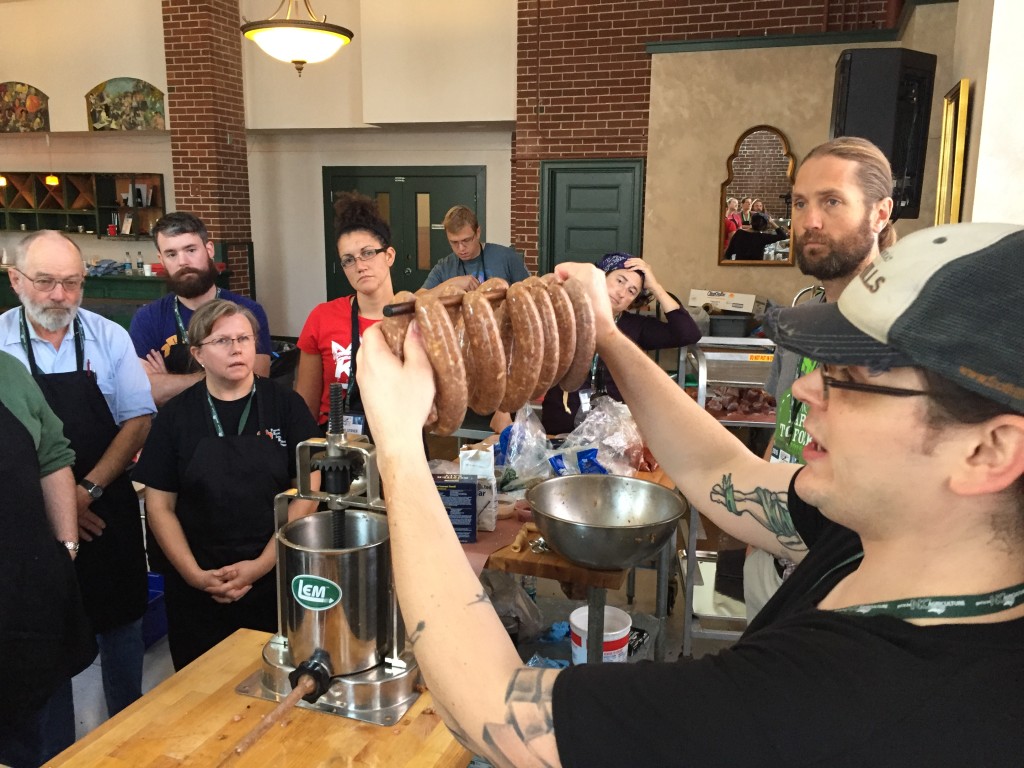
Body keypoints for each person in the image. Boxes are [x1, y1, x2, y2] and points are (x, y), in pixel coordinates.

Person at [355, 221, 1024, 766]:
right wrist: (606, 334)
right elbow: (712, 469)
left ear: (988, 449)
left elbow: (491, 704)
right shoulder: (885, 530)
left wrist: (397, 446)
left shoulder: (846, 703)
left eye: (849, 379)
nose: (804, 390)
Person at [1, 231, 155, 721]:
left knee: (122, 620)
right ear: (15, 279)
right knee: (47, 631)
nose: (59, 296)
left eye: (71, 283)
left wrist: (85, 492)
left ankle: (128, 722)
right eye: (45, 282)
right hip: (29, 516)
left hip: (105, 503)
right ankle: (56, 743)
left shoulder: (110, 335)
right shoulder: (0, 345)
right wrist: (59, 505)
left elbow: (137, 420)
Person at [746, 135, 897, 619]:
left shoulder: (898, 329)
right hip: (773, 547)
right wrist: (758, 527)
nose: (810, 221)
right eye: (799, 203)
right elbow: (783, 425)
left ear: (880, 213)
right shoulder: (801, 320)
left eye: (832, 201)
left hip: (846, 565)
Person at [133, 300, 320, 670]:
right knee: (199, 687)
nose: (236, 349)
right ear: (198, 354)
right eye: (222, 341)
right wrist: (194, 575)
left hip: (274, 578)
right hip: (198, 586)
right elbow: (159, 507)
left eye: (244, 338)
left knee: (277, 678)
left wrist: (262, 564)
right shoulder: (174, 417)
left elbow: (307, 492)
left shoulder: (286, 405)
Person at [0, 351, 97, 768]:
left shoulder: (7, 372)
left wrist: (66, 550)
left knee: (32, 742)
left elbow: (53, 459)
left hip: (22, 598)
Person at [539, 252, 701, 435]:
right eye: (620, 280)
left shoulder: (635, 327)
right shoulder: (565, 313)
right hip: (561, 422)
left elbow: (687, 333)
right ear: (602, 276)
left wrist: (655, 287)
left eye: (632, 291)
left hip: (612, 432)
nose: (622, 292)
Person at [130, 212, 272, 406]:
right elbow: (150, 392)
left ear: (209, 249)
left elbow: (255, 380)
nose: (183, 262)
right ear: (161, 259)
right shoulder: (147, 318)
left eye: (190, 250)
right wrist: (224, 375)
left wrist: (169, 379)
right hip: (174, 428)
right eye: (171, 254)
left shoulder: (247, 311)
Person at [295, 192, 396, 431]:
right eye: (348, 260)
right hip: (336, 448)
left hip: (399, 441)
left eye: (368, 253)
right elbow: (305, 407)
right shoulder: (323, 318)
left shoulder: (414, 318)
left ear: (389, 255)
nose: (360, 266)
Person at [419, 204, 529, 293]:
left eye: (466, 240)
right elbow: (417, 300)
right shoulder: (444, 267)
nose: (461, 248)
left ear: (478, 233)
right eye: (454, 242)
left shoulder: (506, 257)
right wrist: (452, 283)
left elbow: (530, 295)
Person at [724, 211, 788, 261]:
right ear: (764, 226)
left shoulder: (739, 233)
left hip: (740, 266)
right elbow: (783, 236)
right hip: (756, 268)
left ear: (750, 222)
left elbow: (728, 253)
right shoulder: (762, 237)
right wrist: (771, 222)